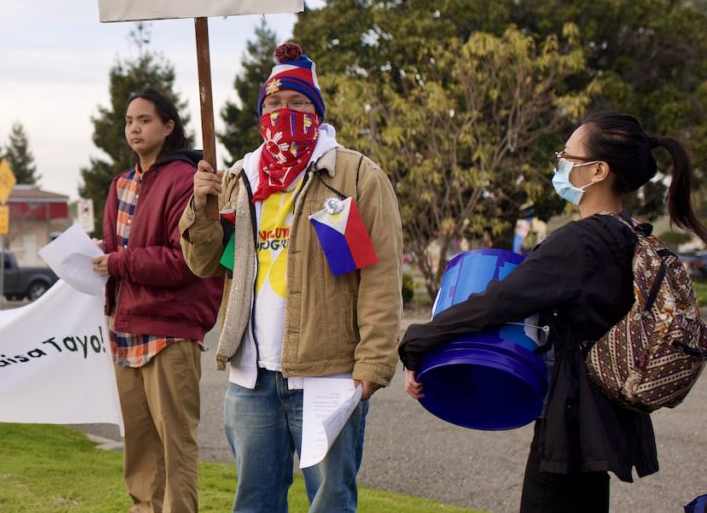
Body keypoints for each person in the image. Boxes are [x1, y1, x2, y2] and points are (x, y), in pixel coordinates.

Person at [398, 112, 704, 512]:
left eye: (567, 154)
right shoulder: (628, 233)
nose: (559, 162)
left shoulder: (580, 243)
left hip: (571, 427)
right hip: (600, 423)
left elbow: (498, 301)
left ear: (597, 171)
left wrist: (416, 342)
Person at [180, 43, 404, 513]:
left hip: (329, 375)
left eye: (298, 102)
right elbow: (207, 264)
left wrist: (372, 366)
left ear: (318, 110)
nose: (284, 111)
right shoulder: (240, 176)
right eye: (274, 103)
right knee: (254, 502)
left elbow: (379, 278)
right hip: (252, 377)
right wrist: (200, 210)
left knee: (330, 502)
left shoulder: (354, 174)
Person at [93, 87, 224, 513]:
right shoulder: (121, 184)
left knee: (175, 448)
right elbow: (117, 253)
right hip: (127, 329)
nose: (134, 128)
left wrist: (119, 262)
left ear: (168, 127)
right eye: (130, 120)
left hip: (171, 333)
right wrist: (102, 256)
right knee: (140, 449)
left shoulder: (187, 180)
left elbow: (184, 263)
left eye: (145, 120)